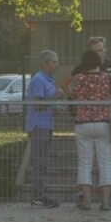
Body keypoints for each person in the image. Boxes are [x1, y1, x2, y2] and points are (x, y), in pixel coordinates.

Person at [68, 48, 111, 211]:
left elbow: (74, 95)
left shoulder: (78, 78)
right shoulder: (108, 77)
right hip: (104, 122)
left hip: (83, 122)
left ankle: (87, 201)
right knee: (105, 162)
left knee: (84, 162)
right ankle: (105, 202)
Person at [24, 50, 64, 208]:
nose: (57, 65)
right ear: (45, 63)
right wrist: (54, 98)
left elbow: (47, 103)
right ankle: (37, 197)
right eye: (54, 62)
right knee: (39, 162)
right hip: (38, 125)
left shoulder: (49, 80)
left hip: (47, 125)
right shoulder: (39, 80)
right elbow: (38, 104)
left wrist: (57, 106)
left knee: (44, 163)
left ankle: (41, 194)